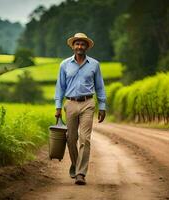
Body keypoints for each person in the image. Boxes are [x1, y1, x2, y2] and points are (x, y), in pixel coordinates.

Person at [54, 32, 106, 185]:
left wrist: (102, 106)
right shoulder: (64, 65)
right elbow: (60, 87)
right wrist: (58, 106)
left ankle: (80, 173)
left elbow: (100, 87)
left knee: (85, 139)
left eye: (83, 44)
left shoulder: (95, 65)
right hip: (70, 104)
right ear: (73, 46)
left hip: (88, 103)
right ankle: (76, 165)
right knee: (71, 138)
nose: (80, 46)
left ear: (87, 47)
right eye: (77, 44)